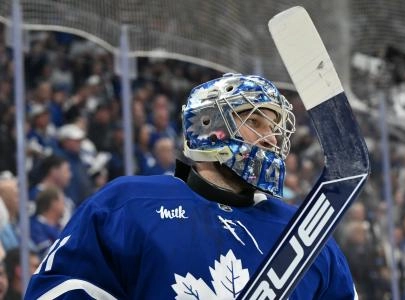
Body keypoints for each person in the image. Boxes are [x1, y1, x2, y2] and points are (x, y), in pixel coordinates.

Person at [25, 74, 358, 299]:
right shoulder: (126, 206)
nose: (271, 137)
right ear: (208, 125)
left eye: (274, 127)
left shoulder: (307, 234)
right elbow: (58, 290)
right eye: (255, 121)